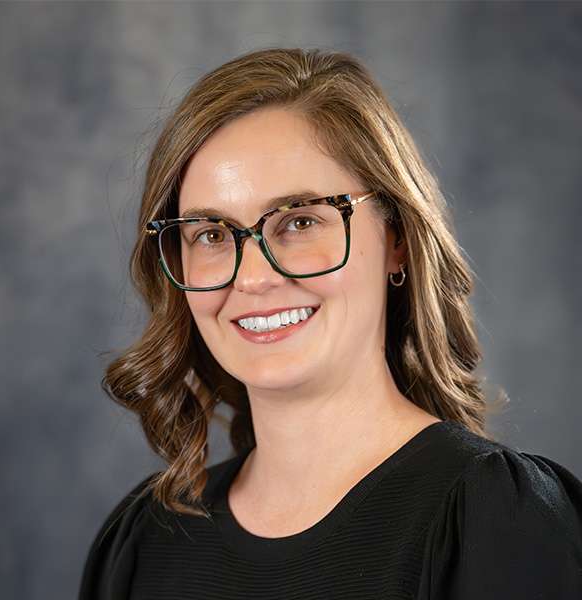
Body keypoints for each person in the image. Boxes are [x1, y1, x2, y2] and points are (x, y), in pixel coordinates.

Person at [78, 47, 582, 599]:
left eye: (299, 222)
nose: (254, 278)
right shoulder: (145, 540)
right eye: (212, 235)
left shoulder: (495, 520)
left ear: (397, 239)